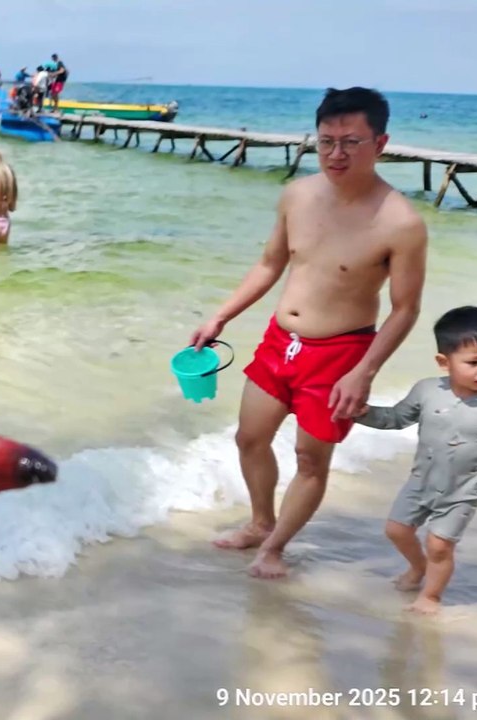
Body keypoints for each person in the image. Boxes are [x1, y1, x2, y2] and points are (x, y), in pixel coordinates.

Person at [189, 87, 428, 579]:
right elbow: (270, 264)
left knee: (310, 459)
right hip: (280, 341)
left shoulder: (401, 223)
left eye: (351, 142)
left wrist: (364, 372)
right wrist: (221, 315)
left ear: (380, 143)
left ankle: (274, 548)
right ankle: (260, 523)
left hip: (341, 354)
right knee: (249, 438)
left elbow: (405, 310)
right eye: (326, 141)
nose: (336, 154)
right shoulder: (297, 194)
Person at [354, 306, 477, 615]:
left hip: (462, 491)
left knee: (440, 544)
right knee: (396, 530)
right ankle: (418, 566)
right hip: (420, 481)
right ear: (444, 362)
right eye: (474, 362)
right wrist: (363, 413)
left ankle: (431, 596)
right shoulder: (426, 391)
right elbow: (396, 418)